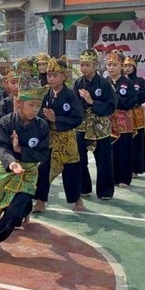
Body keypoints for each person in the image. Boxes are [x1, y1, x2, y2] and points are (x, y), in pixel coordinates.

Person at [0, 74, 50, 261]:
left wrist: (21, 149)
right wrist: (11, 161)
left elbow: (43, 153)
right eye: (31, 105)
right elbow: (0, 147)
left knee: (14, 214)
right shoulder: (6, 122)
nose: (35, 109)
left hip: (27, 172)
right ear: (19, 103)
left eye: (38, 106)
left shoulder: (42, 126)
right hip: (6, 168)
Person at [33, 55, 85, 213]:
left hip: (67, 138)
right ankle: (41, 202)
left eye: (55, 75)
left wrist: (57, 119)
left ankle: (78, 199)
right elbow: (39, 115)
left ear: (64, 76)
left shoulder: (70, 95)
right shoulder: (46, 94)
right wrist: (45, 120)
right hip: (50, 138)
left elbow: (78, 118)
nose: (51, 78)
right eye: (49, 75)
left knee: (72, 170)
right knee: (43, 170)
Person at [74, 49, 117, 200]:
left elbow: (111, 106)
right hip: (82, 126)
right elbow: (74, 105)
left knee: (104, 159)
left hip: (100, 126)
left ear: (95, 65)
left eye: (87, 65)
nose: (83, 68)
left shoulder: (105, 84)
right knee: (79, 158)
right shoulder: (78, 83)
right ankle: (83, 188)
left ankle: (105, 191)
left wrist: (92, 102)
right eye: (82, 65)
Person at [106, 50, 138, 187]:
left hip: (124, 122)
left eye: (114, 64)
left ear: (121, 66)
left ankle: (124, 178)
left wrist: (116, 101)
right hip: (107, 123)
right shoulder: (104, 82)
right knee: (108, 152)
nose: (111, 68)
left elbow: (132, 101)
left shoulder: (127, 82)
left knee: (124, 150)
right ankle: (111, 178)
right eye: (109, 65)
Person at [124, 56, 145, 177]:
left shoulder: (140, 81)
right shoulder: (120, 81)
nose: (127, 68)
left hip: (136, 115)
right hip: (123, 116)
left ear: (134, 67)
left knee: (137, 142)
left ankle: (135, 169)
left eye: (130, 66)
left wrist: (133, 101)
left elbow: (144, 95)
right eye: (125, 66)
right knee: (124, 142)